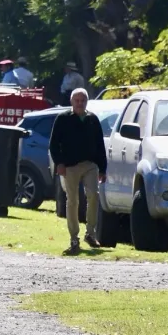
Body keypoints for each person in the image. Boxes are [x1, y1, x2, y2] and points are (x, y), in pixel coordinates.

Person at [48, 88, 106, 254]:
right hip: (70, 165)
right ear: (72, 102)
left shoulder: (92, 119)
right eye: (77, 101)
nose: (80, 103)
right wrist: (59, 163)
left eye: (83, 101)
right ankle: (74, 238)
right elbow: (54, 144)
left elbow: (100, 145)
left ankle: (91, 233)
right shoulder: (63, 119)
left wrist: (103, 168)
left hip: (90, 164)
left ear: (86, 102)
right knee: (72, 200)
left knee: (93, 195)